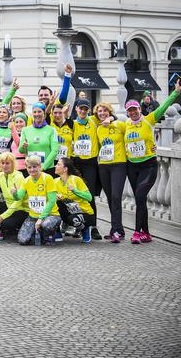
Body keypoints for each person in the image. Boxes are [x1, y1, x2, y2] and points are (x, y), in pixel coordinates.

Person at [124, 80, 180, 244]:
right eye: (130, 111)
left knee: (140, 196)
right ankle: (146, 233)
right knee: (139, 200)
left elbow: (164, 106)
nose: (133, 113)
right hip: (132, 166)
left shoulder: (149, 119)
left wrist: (176, 92)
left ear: (139, 109)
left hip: (148, 165)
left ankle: (136, 232)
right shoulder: (125, 124)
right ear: (127, 113)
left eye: (135, 110)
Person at [70, 98, 102, 240]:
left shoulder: (94, 121)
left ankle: (93, 226)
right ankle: (79, 225)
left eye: (85, 109)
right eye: (80, 108)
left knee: (89, 194)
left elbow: (108, 115)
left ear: (88, 110)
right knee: (76, 194)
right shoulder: (73, 124)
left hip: (90, 163)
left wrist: (111, 117)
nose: (83, 111)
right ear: (76, 109)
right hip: (76, 163)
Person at [94, 102, 127, 242]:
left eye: (104, 111)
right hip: (104, 166)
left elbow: (131, 134)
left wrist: (112, 119)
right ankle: (118, 229)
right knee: (109, 197)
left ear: (110, 112)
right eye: (99, 111)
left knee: (115, 196)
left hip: (119, 164)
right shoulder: (99, 129)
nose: (102, 113)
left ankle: (115, 230)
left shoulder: (119, 124)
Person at [12, 156, 62, 245]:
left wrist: (41, 218)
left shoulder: (47, 178)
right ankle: (38, 232)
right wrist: (15, 194)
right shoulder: (26, 180)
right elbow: (18, 197)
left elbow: (52, 201)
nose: (32, 170)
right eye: (29, 167)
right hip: (33, 216)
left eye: (34, 167)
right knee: (22, 240)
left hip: (51, 215)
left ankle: (50, 235)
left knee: (46, 224)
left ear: (40, 167)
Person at [54, 157, 95, 244]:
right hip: (69, 211)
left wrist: (74, 190)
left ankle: (85, 229)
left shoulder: (76, 180)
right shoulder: (55, 181)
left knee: (73, 219)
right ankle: (57, 231)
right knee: (55, 203)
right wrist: (55, 196)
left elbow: (89, 197)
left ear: (65, 169)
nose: (55, 166)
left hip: (84, 212)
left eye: (58, 164)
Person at [18, 102, 59, 176]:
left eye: (39, 111)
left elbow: (55, 151)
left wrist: (43, 167)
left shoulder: (52, 130)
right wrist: (23, 146)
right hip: (31, 170)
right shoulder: (25, 130)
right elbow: (21, 150)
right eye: (34, 112)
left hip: (47, 169)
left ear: (44, 113)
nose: (37, 114)